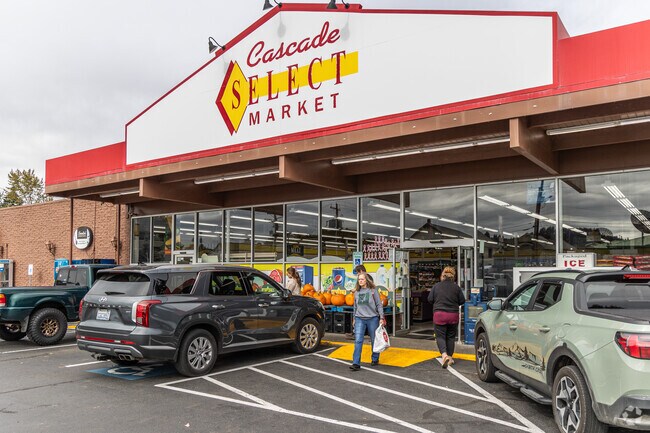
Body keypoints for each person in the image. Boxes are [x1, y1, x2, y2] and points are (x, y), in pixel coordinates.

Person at [427, 266, 466, 369]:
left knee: (440, 336)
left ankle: (444, 355)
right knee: (450, 337)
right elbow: (462, 301)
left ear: (442, 275)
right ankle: (450, 357)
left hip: (440, 315)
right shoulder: (456, 287)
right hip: (453, 315)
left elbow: (430, 299)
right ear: (453, 276)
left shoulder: (436, 286)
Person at [350, 272, 385, 371]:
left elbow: (379, 305)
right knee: (358, 340)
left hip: (372, 318)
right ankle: (356, 363)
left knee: (374, 340)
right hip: (359, 318)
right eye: (359, 279)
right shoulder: (356, 292)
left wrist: (381, 317)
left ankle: (375, 358)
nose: (360, 281)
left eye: (362, 279)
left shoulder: (373, 291)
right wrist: (354, 318)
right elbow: (355, 307)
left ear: (366, 280)